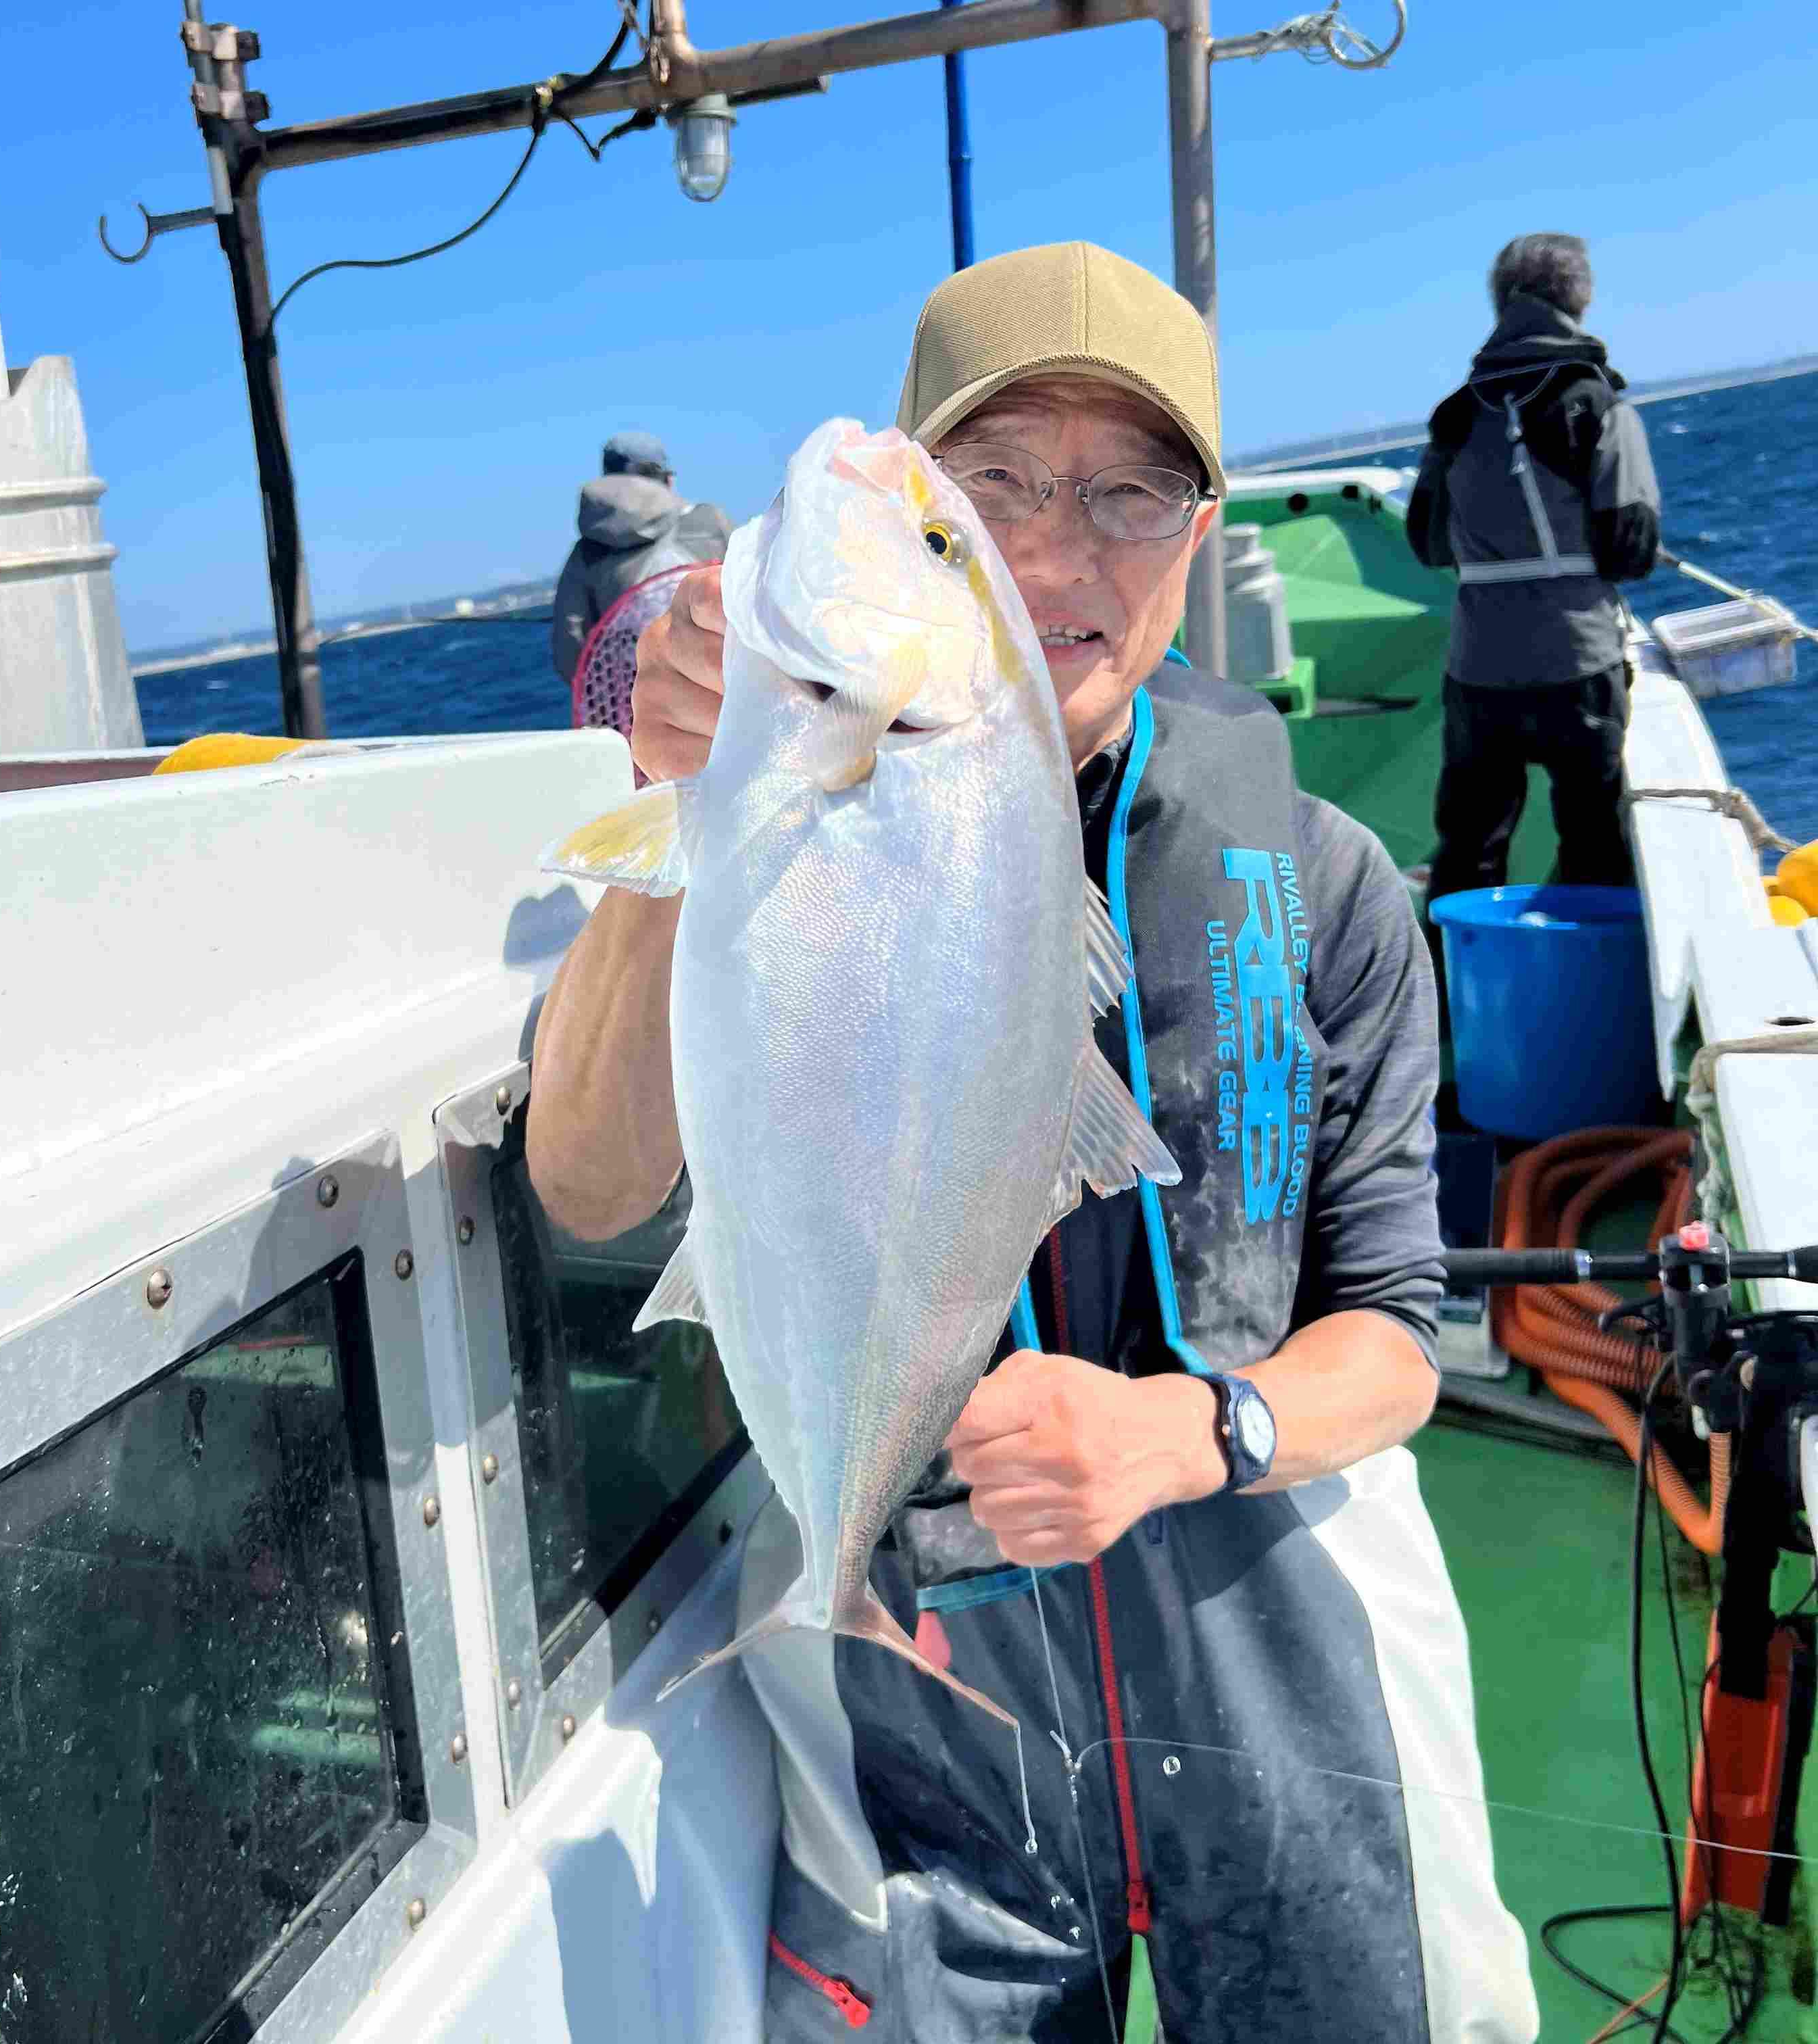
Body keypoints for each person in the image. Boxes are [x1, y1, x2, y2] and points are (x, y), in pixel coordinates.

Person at [528, 242, 1537, 2042]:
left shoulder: (1329, 886)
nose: (1060, 553)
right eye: (988, 489)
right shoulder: (763, 796)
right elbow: (590, 1185)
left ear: (1200, 529)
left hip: (1284, 1647)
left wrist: (1186, 1428)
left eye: (1129, 492)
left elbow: (1394, 1334)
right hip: (927, 1674)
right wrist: (691, 796)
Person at [1408, 233, 1662, 918]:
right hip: (1577, 659)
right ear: (1578, 299)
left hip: (1478, 668)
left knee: (1468, 842)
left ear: (1500, 304)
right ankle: (1587, 988)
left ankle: (1453, 985)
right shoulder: (1597, 402)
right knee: (1595, 837)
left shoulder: (1457, 415)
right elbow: (1630, 549)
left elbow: (1427, 544)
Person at [549, 430, 733, 686]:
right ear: (666, 478)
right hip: (719, 688)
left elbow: (570, 648)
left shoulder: (588, 550)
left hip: (634, 705)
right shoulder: (710, 520)